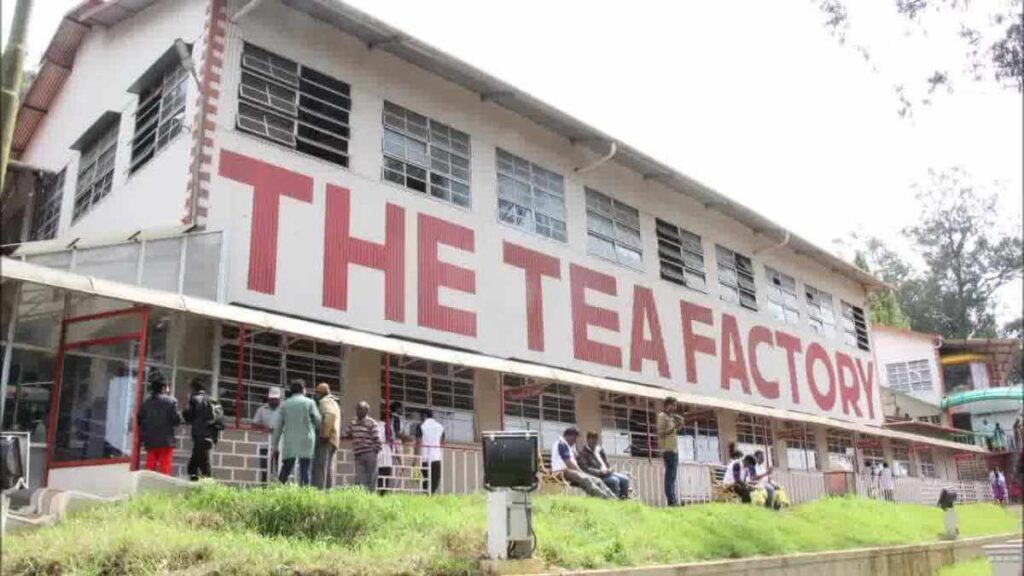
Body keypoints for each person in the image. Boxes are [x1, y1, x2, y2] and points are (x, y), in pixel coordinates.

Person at [272, 379, 321, 486]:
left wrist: (274, 444)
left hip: (290, 441)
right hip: (306, 440)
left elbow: (278, 426)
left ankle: (279, 488)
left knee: (286, 467)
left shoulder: (285, 404)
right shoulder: (310, 403)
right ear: (303, 390)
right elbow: (318, 421)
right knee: (305, 468)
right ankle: (305, 491)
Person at [550, 427, 616, 499]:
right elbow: (569, 463)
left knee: (597, 480)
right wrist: (580, 472)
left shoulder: (567, 446)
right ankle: (606, 499)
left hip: (570, 471)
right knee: (587, 480)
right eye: (574, 438)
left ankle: (614, 498)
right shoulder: (561, 444)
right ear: (569, 436)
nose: (575, 441)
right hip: (561, 472)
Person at [137, 374, 182, 475]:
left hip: (150, 440)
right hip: (166, 441)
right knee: (164, 469)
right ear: (163, 388)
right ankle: (162, 490)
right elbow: (177, 420)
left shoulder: (146, 402)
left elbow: (139, 420)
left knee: (150, 467)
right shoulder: (171, 401)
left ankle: (147, 488)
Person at [577, 431, 630, 499]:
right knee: (615, 481)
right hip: (597, 475)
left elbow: (606, 462)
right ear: (588, 440)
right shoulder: (582, 452)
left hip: (607, 473)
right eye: (592, 440)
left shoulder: (599, 450)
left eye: (596, 440)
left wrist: (609, 469)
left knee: (625, 479)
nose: (594, 442)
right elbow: (585, 469)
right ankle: (614, 501)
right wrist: (600, 472)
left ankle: (623, 500)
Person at [183, 378, 216, 481]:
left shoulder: (194, 399)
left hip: (198, 433)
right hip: (209, 434)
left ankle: (201, 479)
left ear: (194, 388)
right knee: (202, 457)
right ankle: (201, 479)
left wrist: (183, 413)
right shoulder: (210, 399)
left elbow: (189, 416)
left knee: (199, 460)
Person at [345, 401, 382, 491]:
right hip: (358, 453)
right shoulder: (353, 422)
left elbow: (377, 439)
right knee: (360, 477)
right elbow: (346, 433)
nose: (358, 411)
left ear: (366, 410)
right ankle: (362, 496)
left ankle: (371, 496)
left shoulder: (371, 423)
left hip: (370, 453)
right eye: (357, 409)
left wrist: (374, 452)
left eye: (360, 409)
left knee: (371, 477)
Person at [656, 397, 685, 506]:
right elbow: (661, 433)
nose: (675, 407)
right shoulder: (662, 416)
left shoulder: (670, 417)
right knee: (669, 476)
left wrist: (679, 426)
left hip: (674, 450)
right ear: (668, 405)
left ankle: (673, 499)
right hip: (667, 450)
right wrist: (674, 428)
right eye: (674, 405)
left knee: (673, 476)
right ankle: (671, 501)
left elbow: (673, 432)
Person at [312, 383, 341, 489]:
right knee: (328, 467)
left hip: (326, 438)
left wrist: (324, 434)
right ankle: (328, 491)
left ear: (322, 393)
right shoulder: (334, 403)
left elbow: (330, 416)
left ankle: (318, 492)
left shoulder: (325, 401)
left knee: (320, 467)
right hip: (334, 439)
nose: (315, 395)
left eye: (317, 392)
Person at [252, 387, 282, 483]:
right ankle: (264, 487)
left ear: (279, 399)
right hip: (265, 444)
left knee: (277, 469)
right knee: (264, 469)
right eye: (271, 399)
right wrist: (264, 427)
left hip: (280, 444)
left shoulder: (284, 410)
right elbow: (254, 424)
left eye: (275, 399)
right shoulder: (262, 409)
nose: (273, 401)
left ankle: (276, 487)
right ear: (268, 399)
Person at [417, 409, 445, 494]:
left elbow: (418, 442)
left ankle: (426, 497)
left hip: (425, 458)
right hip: (436, 457)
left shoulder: (421, 426)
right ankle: (431, 496)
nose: (420, 418)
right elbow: (442, 442)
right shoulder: (440, 426)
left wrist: (415, 460)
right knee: (435, 480)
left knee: (426, 481)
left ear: (424, 416)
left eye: (421, 416)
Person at [377, 403, 395, 493]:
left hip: (377, 453)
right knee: (385, 477)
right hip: (386, 455)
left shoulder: (376, 425)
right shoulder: (386, 427)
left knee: (378, 478)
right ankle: (383, 495)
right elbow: (389, 440)